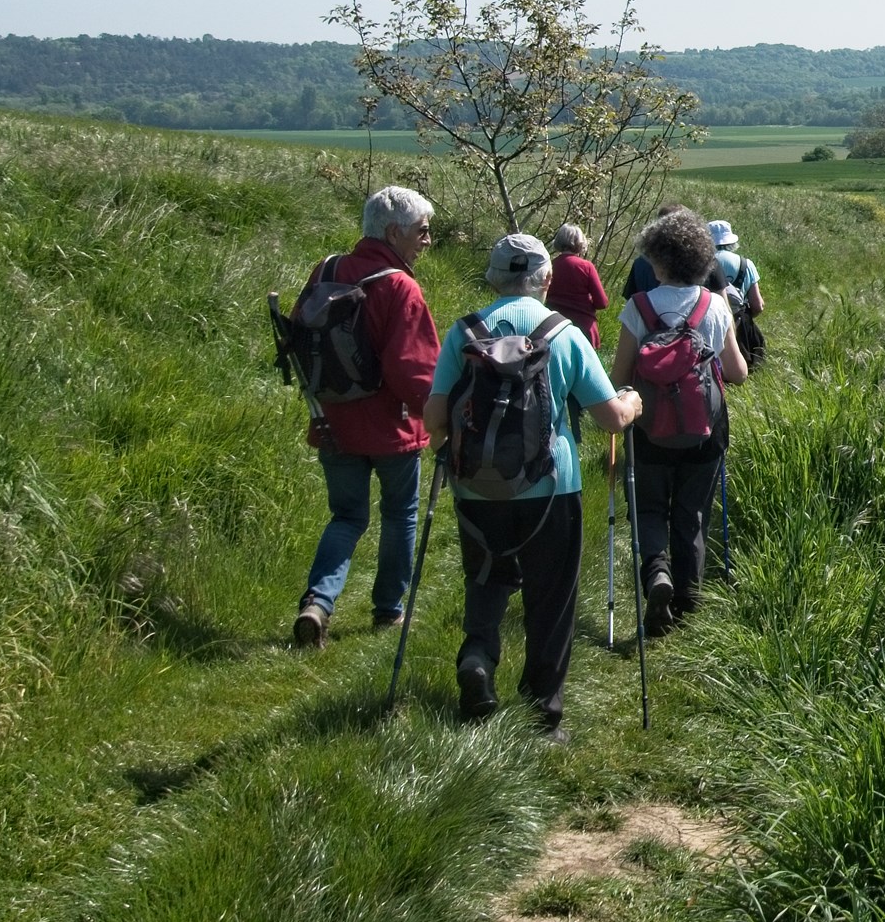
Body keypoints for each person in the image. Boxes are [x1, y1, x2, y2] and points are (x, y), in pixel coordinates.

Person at [429, 233, 643, 741]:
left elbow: (434, 418)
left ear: (492, 277)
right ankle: (542, 714)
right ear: (546, 279)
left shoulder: (464, 333)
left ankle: (479, 657)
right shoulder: (564, 333)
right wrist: (633, 401)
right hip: (552, 489)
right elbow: (611, 419)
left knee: (486, 577)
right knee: (552, 595)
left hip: (476, 488)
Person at [293, 186, 440, 649]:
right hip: (391, 427)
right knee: (400, 515)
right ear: (394, 232)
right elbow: (412, 369)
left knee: (346, 516)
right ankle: (388, 611)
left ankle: (317, 602)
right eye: (422, 231)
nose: (427, 240)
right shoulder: (400, 286)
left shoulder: (328, 269)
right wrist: (439, 417)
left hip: (333, 419)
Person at [612, 209, 749, 636]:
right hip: (704, 429)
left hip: (648, 427)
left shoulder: (639, 307)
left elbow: (618, 377)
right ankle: (688, 602)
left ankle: (657, 572)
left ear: (657, 260)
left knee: (650, 506)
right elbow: (738, 372)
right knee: (692, 513)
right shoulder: (714, 306)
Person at [707, 218, 767, 369]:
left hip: (709, 325)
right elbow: (757, 305)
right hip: (741, 325)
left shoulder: (702, 263)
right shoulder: (746, 264)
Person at [545, 223, 608, 347]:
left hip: (554, 328)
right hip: (583, 329)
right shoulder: (586, 266)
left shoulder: (549, 265)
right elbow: (602, 303)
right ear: (580, 243)